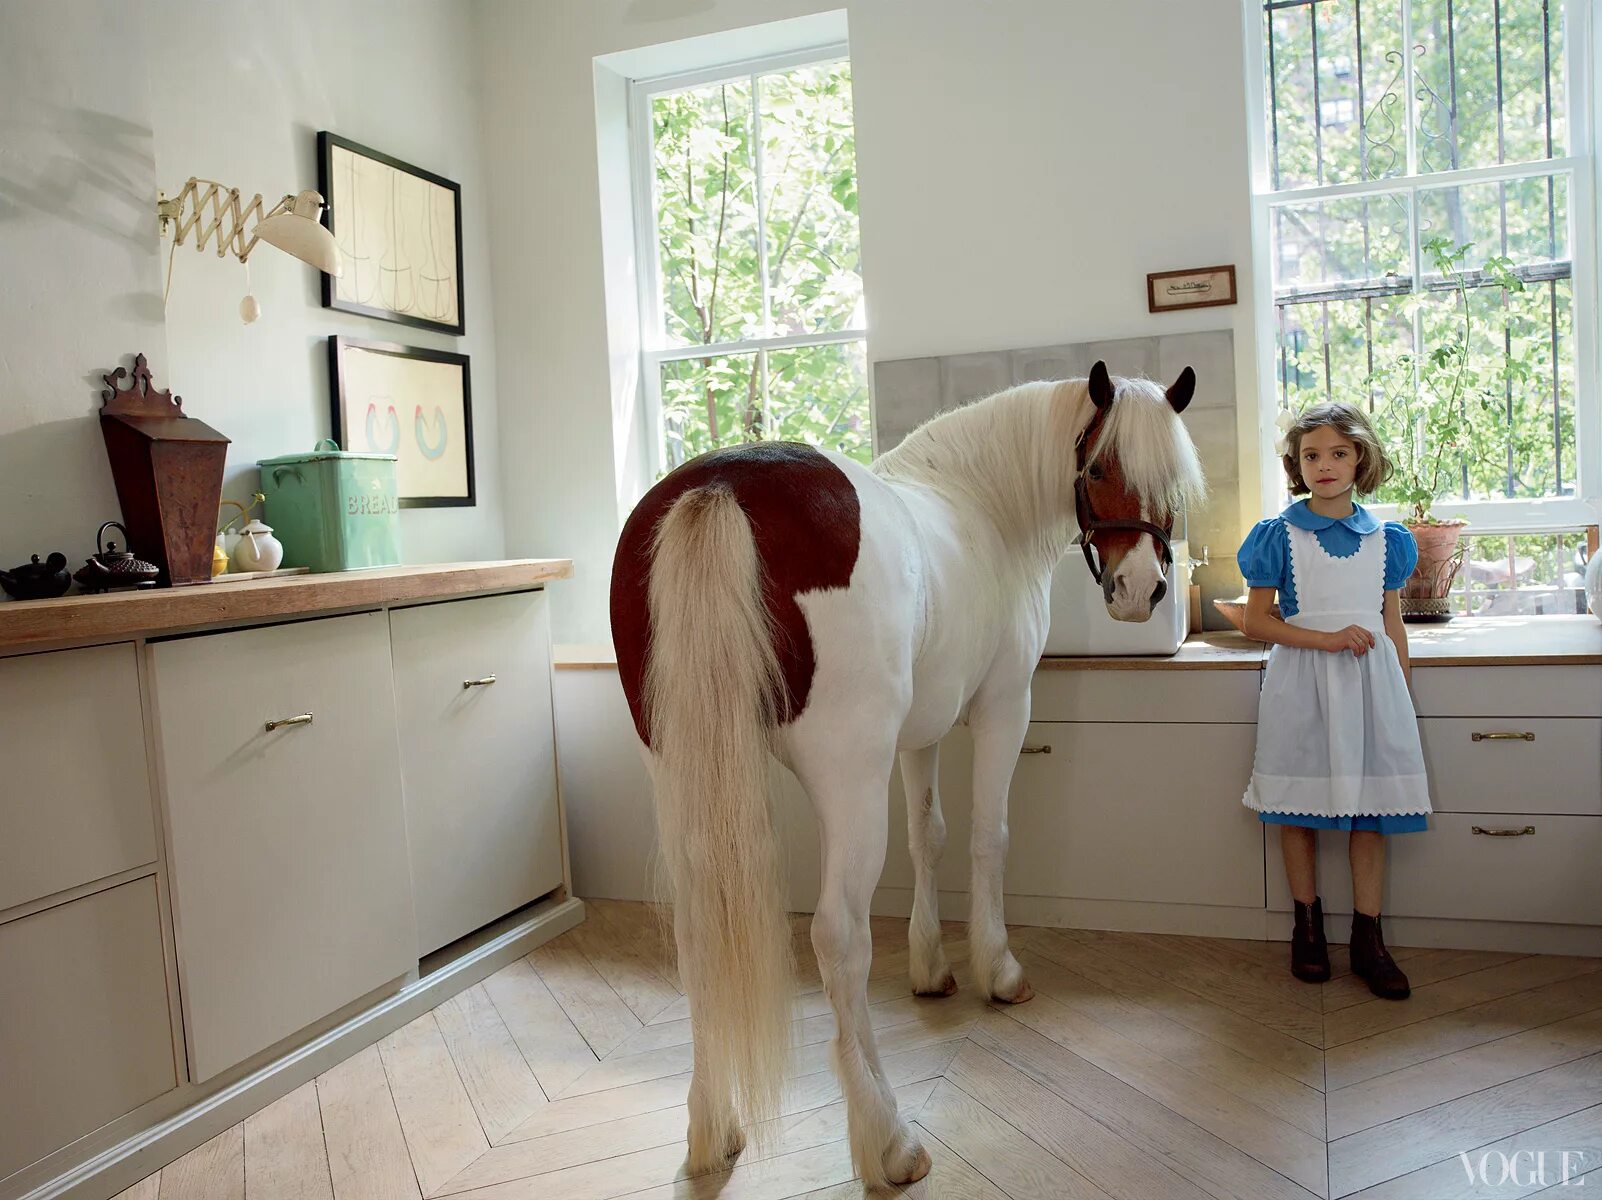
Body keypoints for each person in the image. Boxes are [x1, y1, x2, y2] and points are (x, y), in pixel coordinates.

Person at [1237, 402, 1430, 999]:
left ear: (1360, 459)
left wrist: (1400, 691)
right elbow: (1253, 622)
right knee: (1299, 809)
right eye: (1311, 455)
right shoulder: (1278, 537)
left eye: (1338, 453)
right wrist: (1324, 639)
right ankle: (1308, 929)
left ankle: (1369, 942)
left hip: (1371, 687)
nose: (1324, 465)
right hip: (1302, 684)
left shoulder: (1388, 542)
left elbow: (1390, 625)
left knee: (1369, 814)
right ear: (1296, 464)